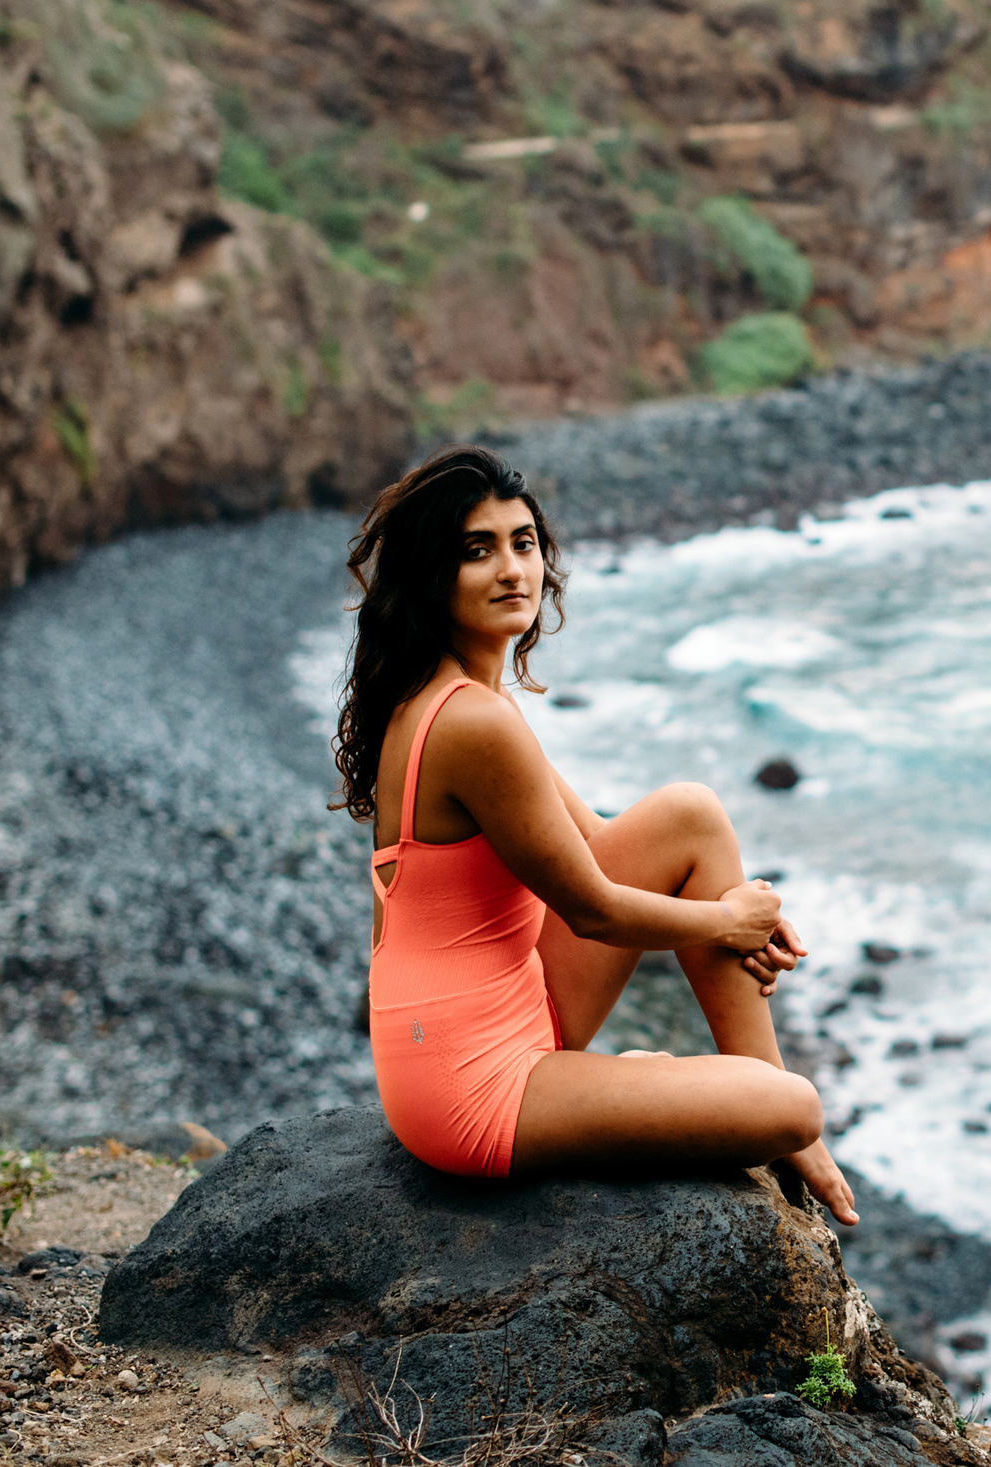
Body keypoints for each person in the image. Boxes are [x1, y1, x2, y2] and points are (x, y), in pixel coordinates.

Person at [330, 444, 857, 1224]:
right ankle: (740, 1107)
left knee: (691, 813)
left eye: (524, 542)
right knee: (797, 1107)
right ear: (430, 573)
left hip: (507, 1009)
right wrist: (729, 919)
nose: (514, 569)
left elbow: (609, 842)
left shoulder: (456, 694)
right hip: (470, 1081)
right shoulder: (473, 722)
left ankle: (740, 1091)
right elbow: (597, 910)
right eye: (478, 550)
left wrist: (735, 908)